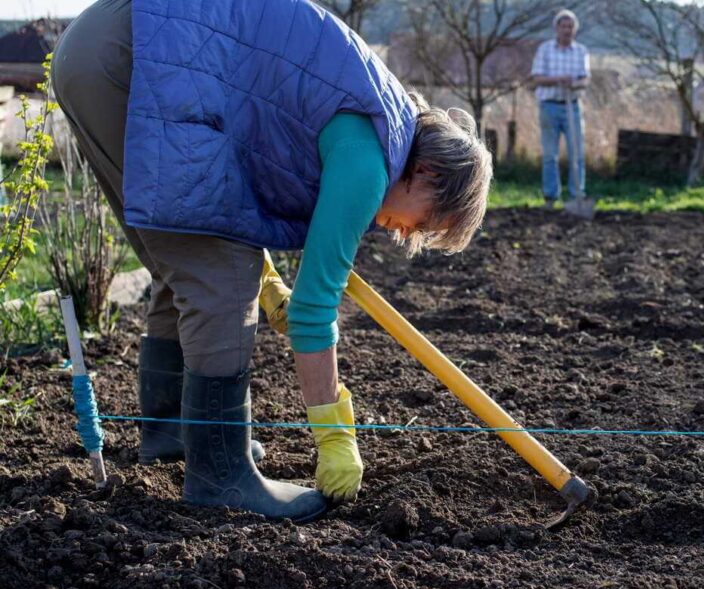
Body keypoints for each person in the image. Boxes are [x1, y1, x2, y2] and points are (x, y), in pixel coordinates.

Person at [51, 0, 492, 523]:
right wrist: (334, 434)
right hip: (136, 55)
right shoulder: (370, 158)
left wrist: (271, 281)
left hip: (106, 45)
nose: (405, 234)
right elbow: (314, 309)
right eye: (423, 222)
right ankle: (221, 475)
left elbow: (242, 178)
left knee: (191, 255)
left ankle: (173, 432)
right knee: (219, 279)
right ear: (426, 175)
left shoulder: (379, 115)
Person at [530, 9, 590, 207]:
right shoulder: (545, 49)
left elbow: (586, 79)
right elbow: (537, 78)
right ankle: (550, 197)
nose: (566, 30)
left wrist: (575, 84)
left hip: (573, 107)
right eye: (563, 26)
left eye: (570, 26)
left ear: (575, 30)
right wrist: (558, 80)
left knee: (577, 154)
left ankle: (576, 196)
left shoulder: (581, 51)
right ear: (556, 28)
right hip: (549, 107)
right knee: (550, 155)